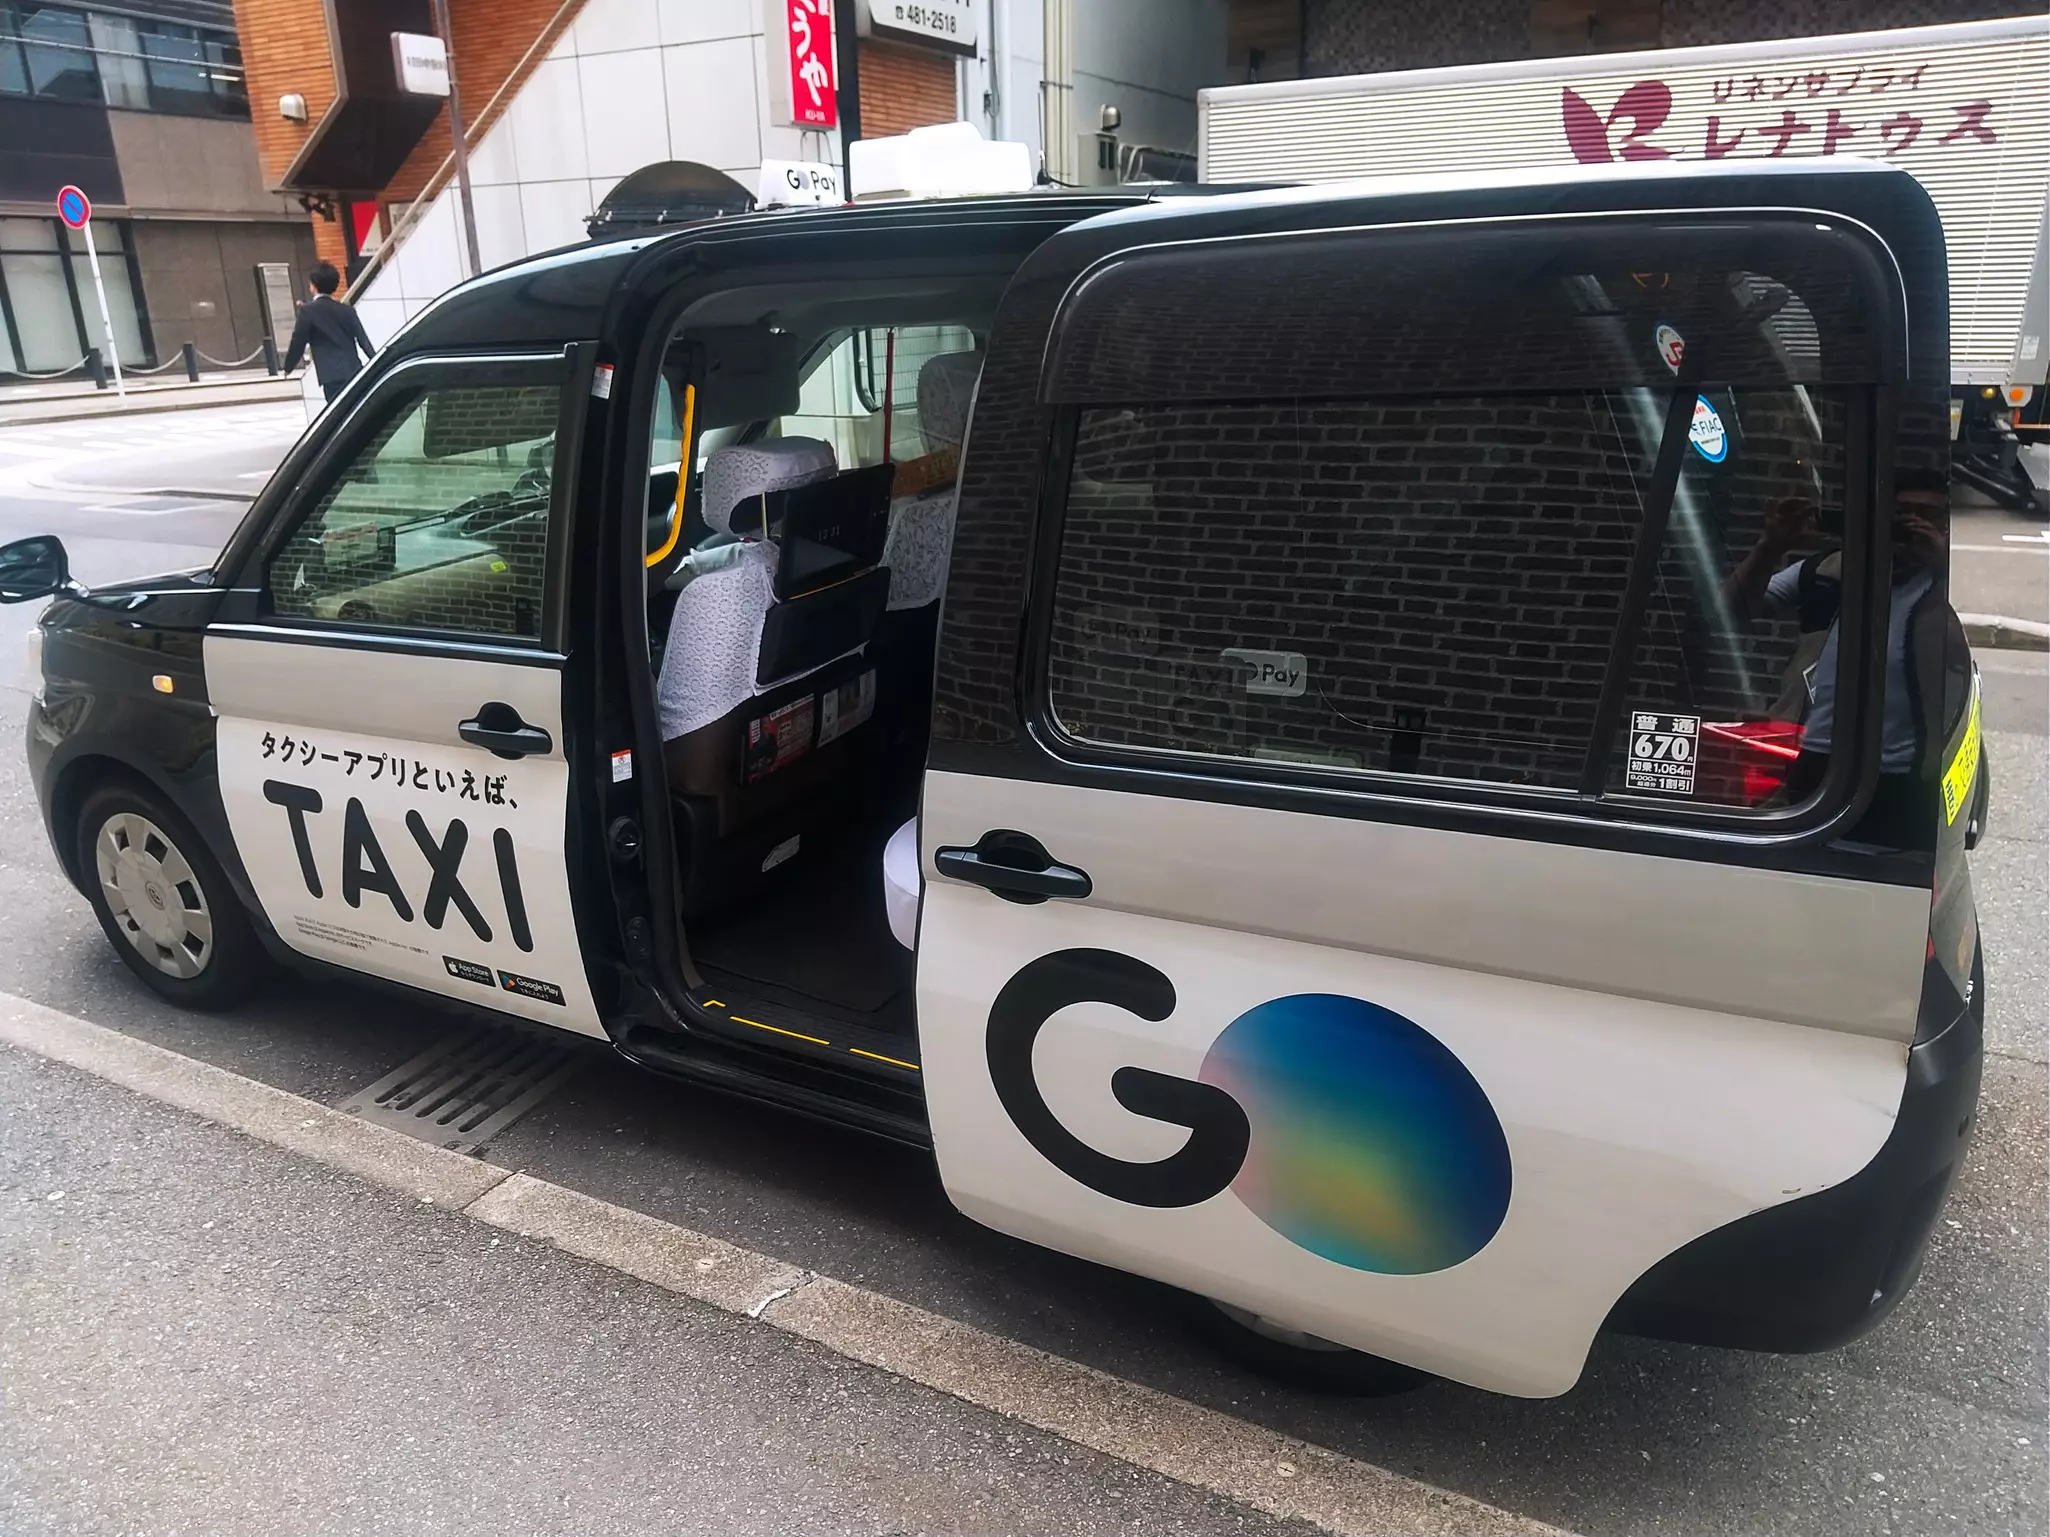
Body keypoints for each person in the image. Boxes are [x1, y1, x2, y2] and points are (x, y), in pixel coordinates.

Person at [1725, 467, 1954, 843]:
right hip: (1816, 762)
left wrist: (1941, 565)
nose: (1912, 525)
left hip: (1900, 775)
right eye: (1902, 514)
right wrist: (1771, 545)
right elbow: (1730, 608)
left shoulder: (1941, 587)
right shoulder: (1832, 569)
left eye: (1927, 517)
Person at [283, 263, 375, 404]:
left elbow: (298, 342)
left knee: (339, 415)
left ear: (313, 286)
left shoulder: (308, 312)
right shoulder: (346, 310)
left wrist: (288, 367)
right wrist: (374, 359)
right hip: (355, 371)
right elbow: (363, 340)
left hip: (332, 376)